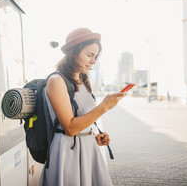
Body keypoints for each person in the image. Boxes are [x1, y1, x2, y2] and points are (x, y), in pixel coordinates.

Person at [39, 28, 126, 186]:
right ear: (73, 53)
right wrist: (104, 106)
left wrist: (92, 137)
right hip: (67, 153)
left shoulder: (83, 78)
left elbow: (82, 120)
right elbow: (70, 128)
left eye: (96, 56)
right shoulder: (56, 81)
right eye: (89, 55)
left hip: (87, 148)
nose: (93, 61)